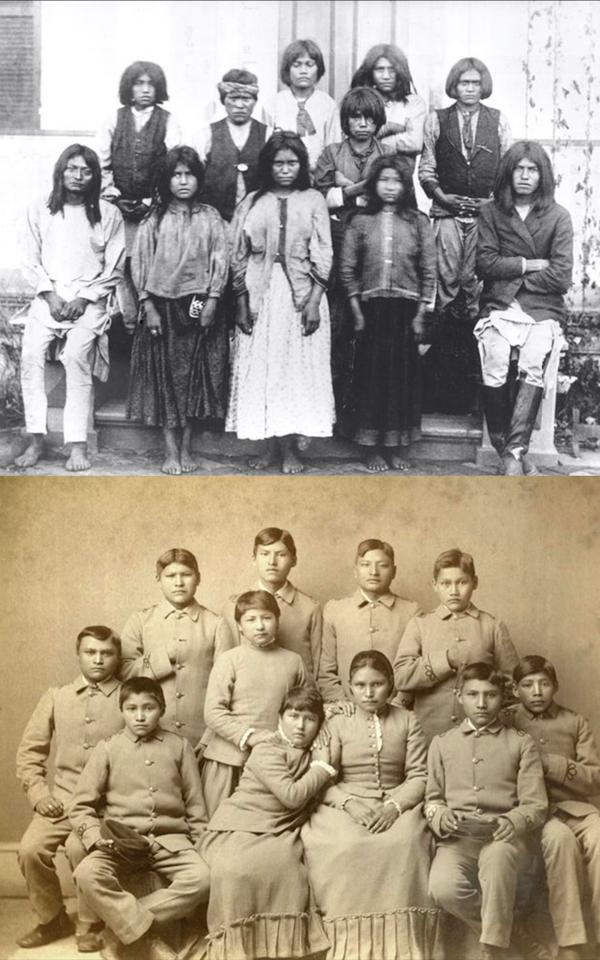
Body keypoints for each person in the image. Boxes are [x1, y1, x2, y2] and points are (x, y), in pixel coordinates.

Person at [302, 651, 443, 960]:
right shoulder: (336, 721)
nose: (369, 693)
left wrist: (394, 807)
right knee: (342, 844)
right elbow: (322, 775)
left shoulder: (408, 720)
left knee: (406, 842)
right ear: (350, 687)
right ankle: (348, 947)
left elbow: (419, 775)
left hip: (397, 800)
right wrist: (349, 804)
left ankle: (403, 949)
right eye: (360, 685)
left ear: (391, 685)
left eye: (377, 684)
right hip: (344, 802)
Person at [70, 677, 210, 960]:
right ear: (122, 710)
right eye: (132, 708)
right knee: (86, 873)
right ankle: (147, 937)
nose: (141, 716)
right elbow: (80, 805)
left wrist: (202, 846)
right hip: (122, 843)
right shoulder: (108, 748)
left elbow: (196, 806)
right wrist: (95, 839)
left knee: (203, 880)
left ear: (162, 708)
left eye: (149, 708)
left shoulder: (179, 747)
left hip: (172, 843)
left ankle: (118, 930)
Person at [226, 131, 335, 474]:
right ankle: (268, 447)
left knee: (295, 373)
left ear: (302, 165)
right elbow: (237, 255)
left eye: (292, 163)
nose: (285, 169)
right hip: (261, 294)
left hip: (301, 296)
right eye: (278, 163)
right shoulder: (253, 201)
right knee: (265, 370)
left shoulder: (313, 199)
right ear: (268, 165)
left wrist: (315, 301)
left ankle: (291, 450)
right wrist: (242, 302)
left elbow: (324, 252)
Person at [426, 662, 548, 960]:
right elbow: (432, 799)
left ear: (503, 697)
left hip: (502, 837)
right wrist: (441, 815)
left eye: (490, 695)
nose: (481, 703)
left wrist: (514, 820)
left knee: (497, 863)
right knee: (443, 888)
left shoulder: (521, 743)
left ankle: (491, 951)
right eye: (473, 694)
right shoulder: (442, 744)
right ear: (459, 696)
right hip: (458, 841)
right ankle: (514, 932)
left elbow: (535, 804)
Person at [201, 687, 334, 960]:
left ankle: (281, 950)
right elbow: (291, 796)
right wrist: (321, 768)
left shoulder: (312, 749)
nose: (300, 725)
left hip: (281, 828)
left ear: (319, 724)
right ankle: (237, 949)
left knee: (289, 869)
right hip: (241, 824)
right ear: (280, 718)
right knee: (236, 872)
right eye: (293, 715)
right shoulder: (267, 748)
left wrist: (335, 710)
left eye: (309, 718)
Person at [15, 144, 125, 472]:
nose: (77, 177)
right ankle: (36, 439)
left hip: (88, 302)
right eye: (71, 169)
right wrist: (49, 295)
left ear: (95, 175)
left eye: (86, 170)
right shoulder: (40, 209)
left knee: (77, 355)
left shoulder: (108, 214)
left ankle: (77, 445)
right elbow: (29, 260)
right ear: (60, 172)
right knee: (31, 355)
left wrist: (85, 298)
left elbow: (115, 267)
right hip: (48, 299)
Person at [16, 626, 123, 952]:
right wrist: (40, 795)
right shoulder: (56, 697)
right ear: (78, 655)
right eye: (90, 652)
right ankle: (51, 919)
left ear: (118, 657)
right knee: (30, 850)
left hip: (104, 805)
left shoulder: (127, 697)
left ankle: (90, 923)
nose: (98, 660)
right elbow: (29, 753)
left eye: (106, 653)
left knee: (82, 849)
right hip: (60, 801)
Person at [127, 145, 229, 475]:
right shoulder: (153, 220)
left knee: (193, 379)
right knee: (167, 379)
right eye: (176, 175)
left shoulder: (211, 217)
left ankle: (187, 447)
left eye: (189, 175)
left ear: (199, 179)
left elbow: (220, 260)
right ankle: (169, 449)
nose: (183, 181)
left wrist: (212, 300)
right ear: (167, 179)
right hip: (163, 307)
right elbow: (140, 265)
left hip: (198, 303)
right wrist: (148, 306)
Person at [418, 57, 511, 414]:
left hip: (485, 221)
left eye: (475, 83)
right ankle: (438, 388)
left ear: (482, 86)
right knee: (447, 291)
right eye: (463, 83)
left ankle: (470, 392)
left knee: (474, 292)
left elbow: (505, 169)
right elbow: (426, 167)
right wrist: (443, 197)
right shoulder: (436, 120)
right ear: (453, 86)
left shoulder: (498, 120)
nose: (469, 89)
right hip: (446, 217)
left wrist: (491, 204)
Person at [475, 141, 574, 475]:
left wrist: (511, 273)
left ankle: (513, 454)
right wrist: (530, 265)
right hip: (500, 306)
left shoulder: (558, 217)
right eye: (519, 169)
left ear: (542, 175)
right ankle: (511, 451)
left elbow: (561, 276)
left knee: (532, 362)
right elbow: (485, 263)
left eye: (533, 170)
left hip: (543, 309)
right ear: (508, 172)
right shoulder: (491, 212)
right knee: (496, 360)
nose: (525, 176)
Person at [340, 155, 436, 470]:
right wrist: (356, 310)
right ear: (373, 184)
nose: (390, 187)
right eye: (384, 180)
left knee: (401, 381)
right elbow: (348, 269)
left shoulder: (418, 222)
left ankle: (396, 447)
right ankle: (372, 449)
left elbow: (428, 269)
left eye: (396, 180)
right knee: (372, 380)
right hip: (370, 310)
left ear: (405, 185)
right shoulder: (359, 221)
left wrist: (421, 312)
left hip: (406, 311)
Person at [507, 655, 600, 960]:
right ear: (515, 689)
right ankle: (571, 942)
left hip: (577, 809)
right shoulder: (507, 720)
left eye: (544, 684)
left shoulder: (575, 722)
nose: (537, 692)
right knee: (560, 842)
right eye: (527, 685)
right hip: (537, 814)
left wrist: (553, 765)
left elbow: (594, 780)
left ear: (555, 687)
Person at [313, 86, 392, 426]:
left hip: (377, 250)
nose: (362, 124)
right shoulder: (331, 153)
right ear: (345, 121)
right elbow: (316, 194)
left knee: (372, 330)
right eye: (355, 117)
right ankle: (331, 412)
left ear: (378, 122)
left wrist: (346, 191)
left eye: (369, 118)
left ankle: (363, 417)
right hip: (338, 244)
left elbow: (393, 195)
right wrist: (355, 191)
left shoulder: (388, 155)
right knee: (338, 327)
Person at [393, 548, 518, 744]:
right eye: (446, 583)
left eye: (462, 582)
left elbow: (512, 688)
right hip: (428, 734)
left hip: (482, 736)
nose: (454, 591)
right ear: (435, 585)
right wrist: (445, 660)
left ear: (474, 583)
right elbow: (401, 677)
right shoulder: (420, 625)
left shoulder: (492, 626)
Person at [201, 590, 307, 816]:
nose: (260, 626)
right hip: (230, 761)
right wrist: (251, 736)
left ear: (277, 621)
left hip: (276, 761)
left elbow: (308, 706)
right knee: (224, 825)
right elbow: (213, 712)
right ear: (239, 625)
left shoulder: (293, 661)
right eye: (251, 619)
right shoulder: (229, 660)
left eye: (267, 618)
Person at [97, 60, 182, 331]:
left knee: (151, 262)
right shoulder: (114, 118)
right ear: (129, 88)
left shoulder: (169, 121)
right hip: (119, 208)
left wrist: (154, 200)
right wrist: (113, 194)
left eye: (151, 84)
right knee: (122, 264)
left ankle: (153, 324)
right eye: (139, 83)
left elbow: (175, 164)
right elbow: (102, 162)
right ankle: (130, 323)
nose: (145, 89)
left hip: (154, 208)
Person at [120, 547, 232, 747]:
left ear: (198, 578)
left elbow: (226, 687)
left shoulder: (216, 624)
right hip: (150, 734)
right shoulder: (141, 620)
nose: (179, 583)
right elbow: (124, 672)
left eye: (186, 575)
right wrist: (162, 657)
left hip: (202, 735)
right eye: (170, 576)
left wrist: (211, 737)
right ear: (158, 580)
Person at [318, 539, 419, 708]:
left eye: (382, 565)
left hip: (396, 710)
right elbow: (326, 671)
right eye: (365, 565)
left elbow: (414, 668)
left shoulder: (411, 611)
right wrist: (342, 704)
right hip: (347, 712)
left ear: (394, 571)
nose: (373, 572)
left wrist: (398, 704)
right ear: (355, 571)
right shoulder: (335, 610)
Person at [216, 527, 322, 678]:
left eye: (281, 555)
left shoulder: (310, 608)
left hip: (298, 696)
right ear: (254, 559)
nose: (272, 562)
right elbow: (225, 665)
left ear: (294, 560)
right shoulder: (233, 605)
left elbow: (318, 666)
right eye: (264, 554)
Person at [198, 69, 269, 223]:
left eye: (246, 98)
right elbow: (196, 176)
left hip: (256, 219)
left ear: (255, 101)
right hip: (215, 218)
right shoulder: (206, 134)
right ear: (224, 100)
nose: (239, 105)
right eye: (233, 98)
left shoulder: (267, 134)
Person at [263, 38, 341, 172]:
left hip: (319, 175)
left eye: (309, 65)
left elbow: (333, 145)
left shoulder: (328, 105)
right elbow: (267, 146)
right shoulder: (273, 104)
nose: (303, 71)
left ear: (318, 69)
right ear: (287, 69)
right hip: (285, 174)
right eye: (297, 65)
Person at [351, 43, 426, 169]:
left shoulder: (413, 103)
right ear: (371, 72)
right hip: (362, 176)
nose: (386, 76)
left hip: (400, 178)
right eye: (380, 70)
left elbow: (415, 142)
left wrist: (376, 141)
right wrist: (395, 130)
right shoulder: (360, 101)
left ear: (400, 72)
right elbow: (351, 142)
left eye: (392, 70)